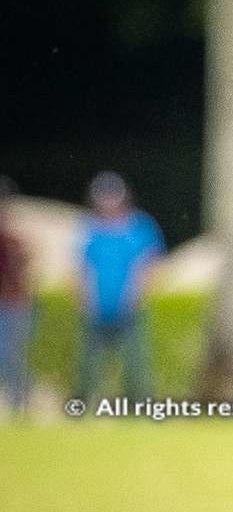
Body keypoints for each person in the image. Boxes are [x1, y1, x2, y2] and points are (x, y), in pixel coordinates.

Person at [74, 170, 164, 406]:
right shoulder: (88, 228)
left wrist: (139, 293)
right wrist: (84, 297)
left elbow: (149, 263)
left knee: (135, 362)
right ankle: (83, 405)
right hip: (96, 307)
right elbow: (80, 266)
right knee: (89, 363)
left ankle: (139, 405)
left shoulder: (139, 227)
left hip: (130, 306)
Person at [0, 177, 32, 414]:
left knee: (10, 355)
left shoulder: (14, 238)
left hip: (12, 303)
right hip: (12, 302)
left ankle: (19, 402)